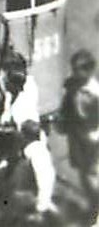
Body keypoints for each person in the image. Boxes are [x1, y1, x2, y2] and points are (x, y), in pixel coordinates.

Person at [59, 49, 99, 215]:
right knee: (83, 173)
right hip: (77, 136)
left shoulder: (94, 93)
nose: (74, 72)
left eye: (79, 69)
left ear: (89, 70)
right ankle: (93, 206)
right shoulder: (73, 85)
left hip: (93, 139)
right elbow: (68, 105)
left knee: (93, 175)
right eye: (73, 69)